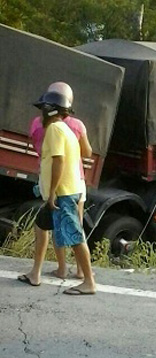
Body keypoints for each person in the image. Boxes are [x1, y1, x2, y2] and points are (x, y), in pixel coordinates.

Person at [18, 91, 96, 295]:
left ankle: (88, 282)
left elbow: (58, 162)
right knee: (40, 226)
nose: (40, 114)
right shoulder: (64, 129)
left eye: (43, 109)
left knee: (75, 236)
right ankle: (35, 273)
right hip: (65, 191)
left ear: (50, 110)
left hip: (63, 193)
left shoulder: (54, 129)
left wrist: (52, 193)